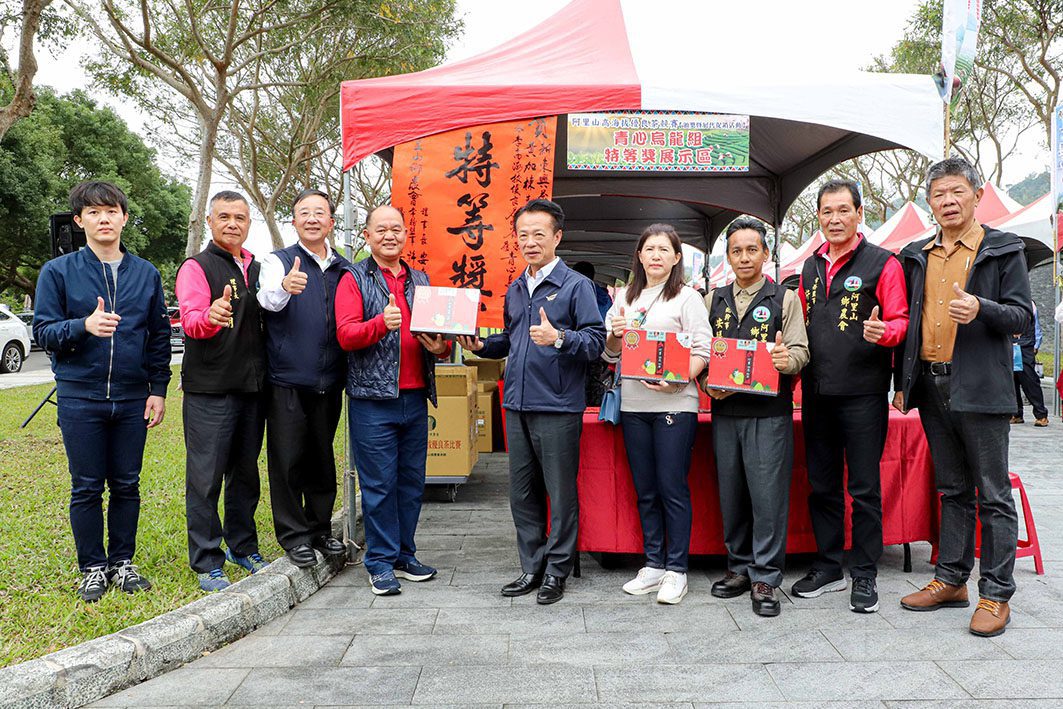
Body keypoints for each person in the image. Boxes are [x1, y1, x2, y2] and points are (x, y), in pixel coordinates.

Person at [895, 157, 1032, 637]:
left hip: (981, 385)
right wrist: (901, 381)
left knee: (993, 494)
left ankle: (995, 595)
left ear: (977, 195)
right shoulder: (916, 254)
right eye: (938, 194)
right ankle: (951, 579)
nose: (948, 202)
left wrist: (982, 308)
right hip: (931, 385)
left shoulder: (1002, 249)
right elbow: (908, 323)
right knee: (952, 488)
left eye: (957, 192)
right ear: (928, 202)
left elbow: (1021, 318)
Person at [458, 199, 606, 605]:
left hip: (558, 405)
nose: (530, 241)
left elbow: (595, 342)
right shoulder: (517, 286)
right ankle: (531, 566)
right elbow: (513, 338)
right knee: (521, 492)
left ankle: (557, 571)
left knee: (559, 492)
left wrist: (558, 337)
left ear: (557, 237)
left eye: (539, 233)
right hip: (517, 402)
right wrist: (483, 345)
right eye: (523, 234)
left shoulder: (577, 286)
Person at [33, 181, 171, 602]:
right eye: (93, 212)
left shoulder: (145, 273)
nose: (104, 218)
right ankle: (92, 567)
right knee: (87, 487)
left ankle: (122, 561)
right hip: (80, 397)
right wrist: (83, 327)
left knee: (127, 483)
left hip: (132, 398)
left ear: (124, 218)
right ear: (79, 221)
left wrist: (158, 389)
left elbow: (159, 336)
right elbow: (42, 331)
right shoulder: (58, 272)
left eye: (111, 210)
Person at [792, 179, 909, 614]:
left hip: (863, 393)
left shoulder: (884, 263)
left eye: (843, 210)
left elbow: (899, 319)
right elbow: (801, 326)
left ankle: (864, 573)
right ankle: (827, 566)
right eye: (826, 212)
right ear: (818, 217)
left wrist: (886, 333)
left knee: (863, 488)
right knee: (821, 485)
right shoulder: (809, 268)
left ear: (860, 213)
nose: (834, 219)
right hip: (817, 392)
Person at [335, 205, 450, 596]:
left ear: (405, 235)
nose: (390, 236)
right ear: (366, 236)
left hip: (416, 396)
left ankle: (404, 554)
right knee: (379, 484)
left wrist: (440, 345)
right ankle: (380, 562)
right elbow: (346, 336)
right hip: (372, 398)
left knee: (411, 482)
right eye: (381, 229)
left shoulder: (420, 278)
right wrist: (380, 324)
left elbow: (438, 335)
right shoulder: (353, 277)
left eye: (396, 229)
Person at [704, 217, 809, 617]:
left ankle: (766, 574)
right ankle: (738, 567)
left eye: (752, 249)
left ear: (766, 254)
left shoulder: (784, 299)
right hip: (725, 411)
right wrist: (704, 383)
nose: (744, 257)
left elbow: (801, 351)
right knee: (731, 494)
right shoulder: (712, 299)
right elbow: (701, 352)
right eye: (736, 250)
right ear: (727, 256)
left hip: (769, 415)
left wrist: (785, 359)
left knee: (767, 498)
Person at [602, 224, 711, 604]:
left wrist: (677, 379)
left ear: (676, 257)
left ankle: (676, 570)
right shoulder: (625, 299)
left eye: (664, 249)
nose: (656, 255)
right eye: (649, 249)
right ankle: (653, 564)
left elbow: (703, 350)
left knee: (672, 488)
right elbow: (611, 354)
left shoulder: (687, 298)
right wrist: (615, 334)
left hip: (675, 405)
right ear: (640, 255)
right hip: (633, 406)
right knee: (645, 490)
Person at [176, 190, 268, 592]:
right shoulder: (196, 267)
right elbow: (192, 320)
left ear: (250, 224)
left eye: (241, 218)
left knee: (245, 475)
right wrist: (212, 316)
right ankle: (207, 560)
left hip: (253, 389)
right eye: (224, 216)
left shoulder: (258, 268)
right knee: (205, 478)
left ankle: (243, 547)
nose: (233, 224)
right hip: (210, 391)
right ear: (210, 222)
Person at [258, 189, 351, 568]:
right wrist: (284, 288)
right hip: (288, 379)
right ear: (293, 220)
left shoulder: (345, 267)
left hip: (331, 379)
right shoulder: (278, 261)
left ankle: (319, 530)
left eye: (320, 213)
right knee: (287, 460)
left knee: (322, 458)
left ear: (331, 222)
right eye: (303, 213)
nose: (312, 219)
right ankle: (293, 536)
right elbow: (266, 300)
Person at [1011, 305, 1047, 426]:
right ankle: (1016, 414)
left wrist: (1036, 345)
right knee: (1011, 381)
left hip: (1025, 346)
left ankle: (1041, 414)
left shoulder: (1029, 304)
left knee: (1029, 380)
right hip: (1009, 345)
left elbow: (1036, 326)